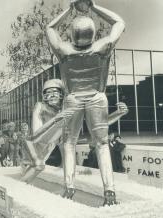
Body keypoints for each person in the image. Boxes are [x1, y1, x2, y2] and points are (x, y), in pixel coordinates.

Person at [46, 0, 125, 205]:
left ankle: (69, 187)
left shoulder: (64, 50)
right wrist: (94, 6)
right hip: (97, 97)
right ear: (93, 33)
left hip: (73, 99)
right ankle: (109, 191)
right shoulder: (102, 46)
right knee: (102, 144)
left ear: (72, 34)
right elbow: (119, 22)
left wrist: (70, 10)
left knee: (69, 143)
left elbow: (50, 28)